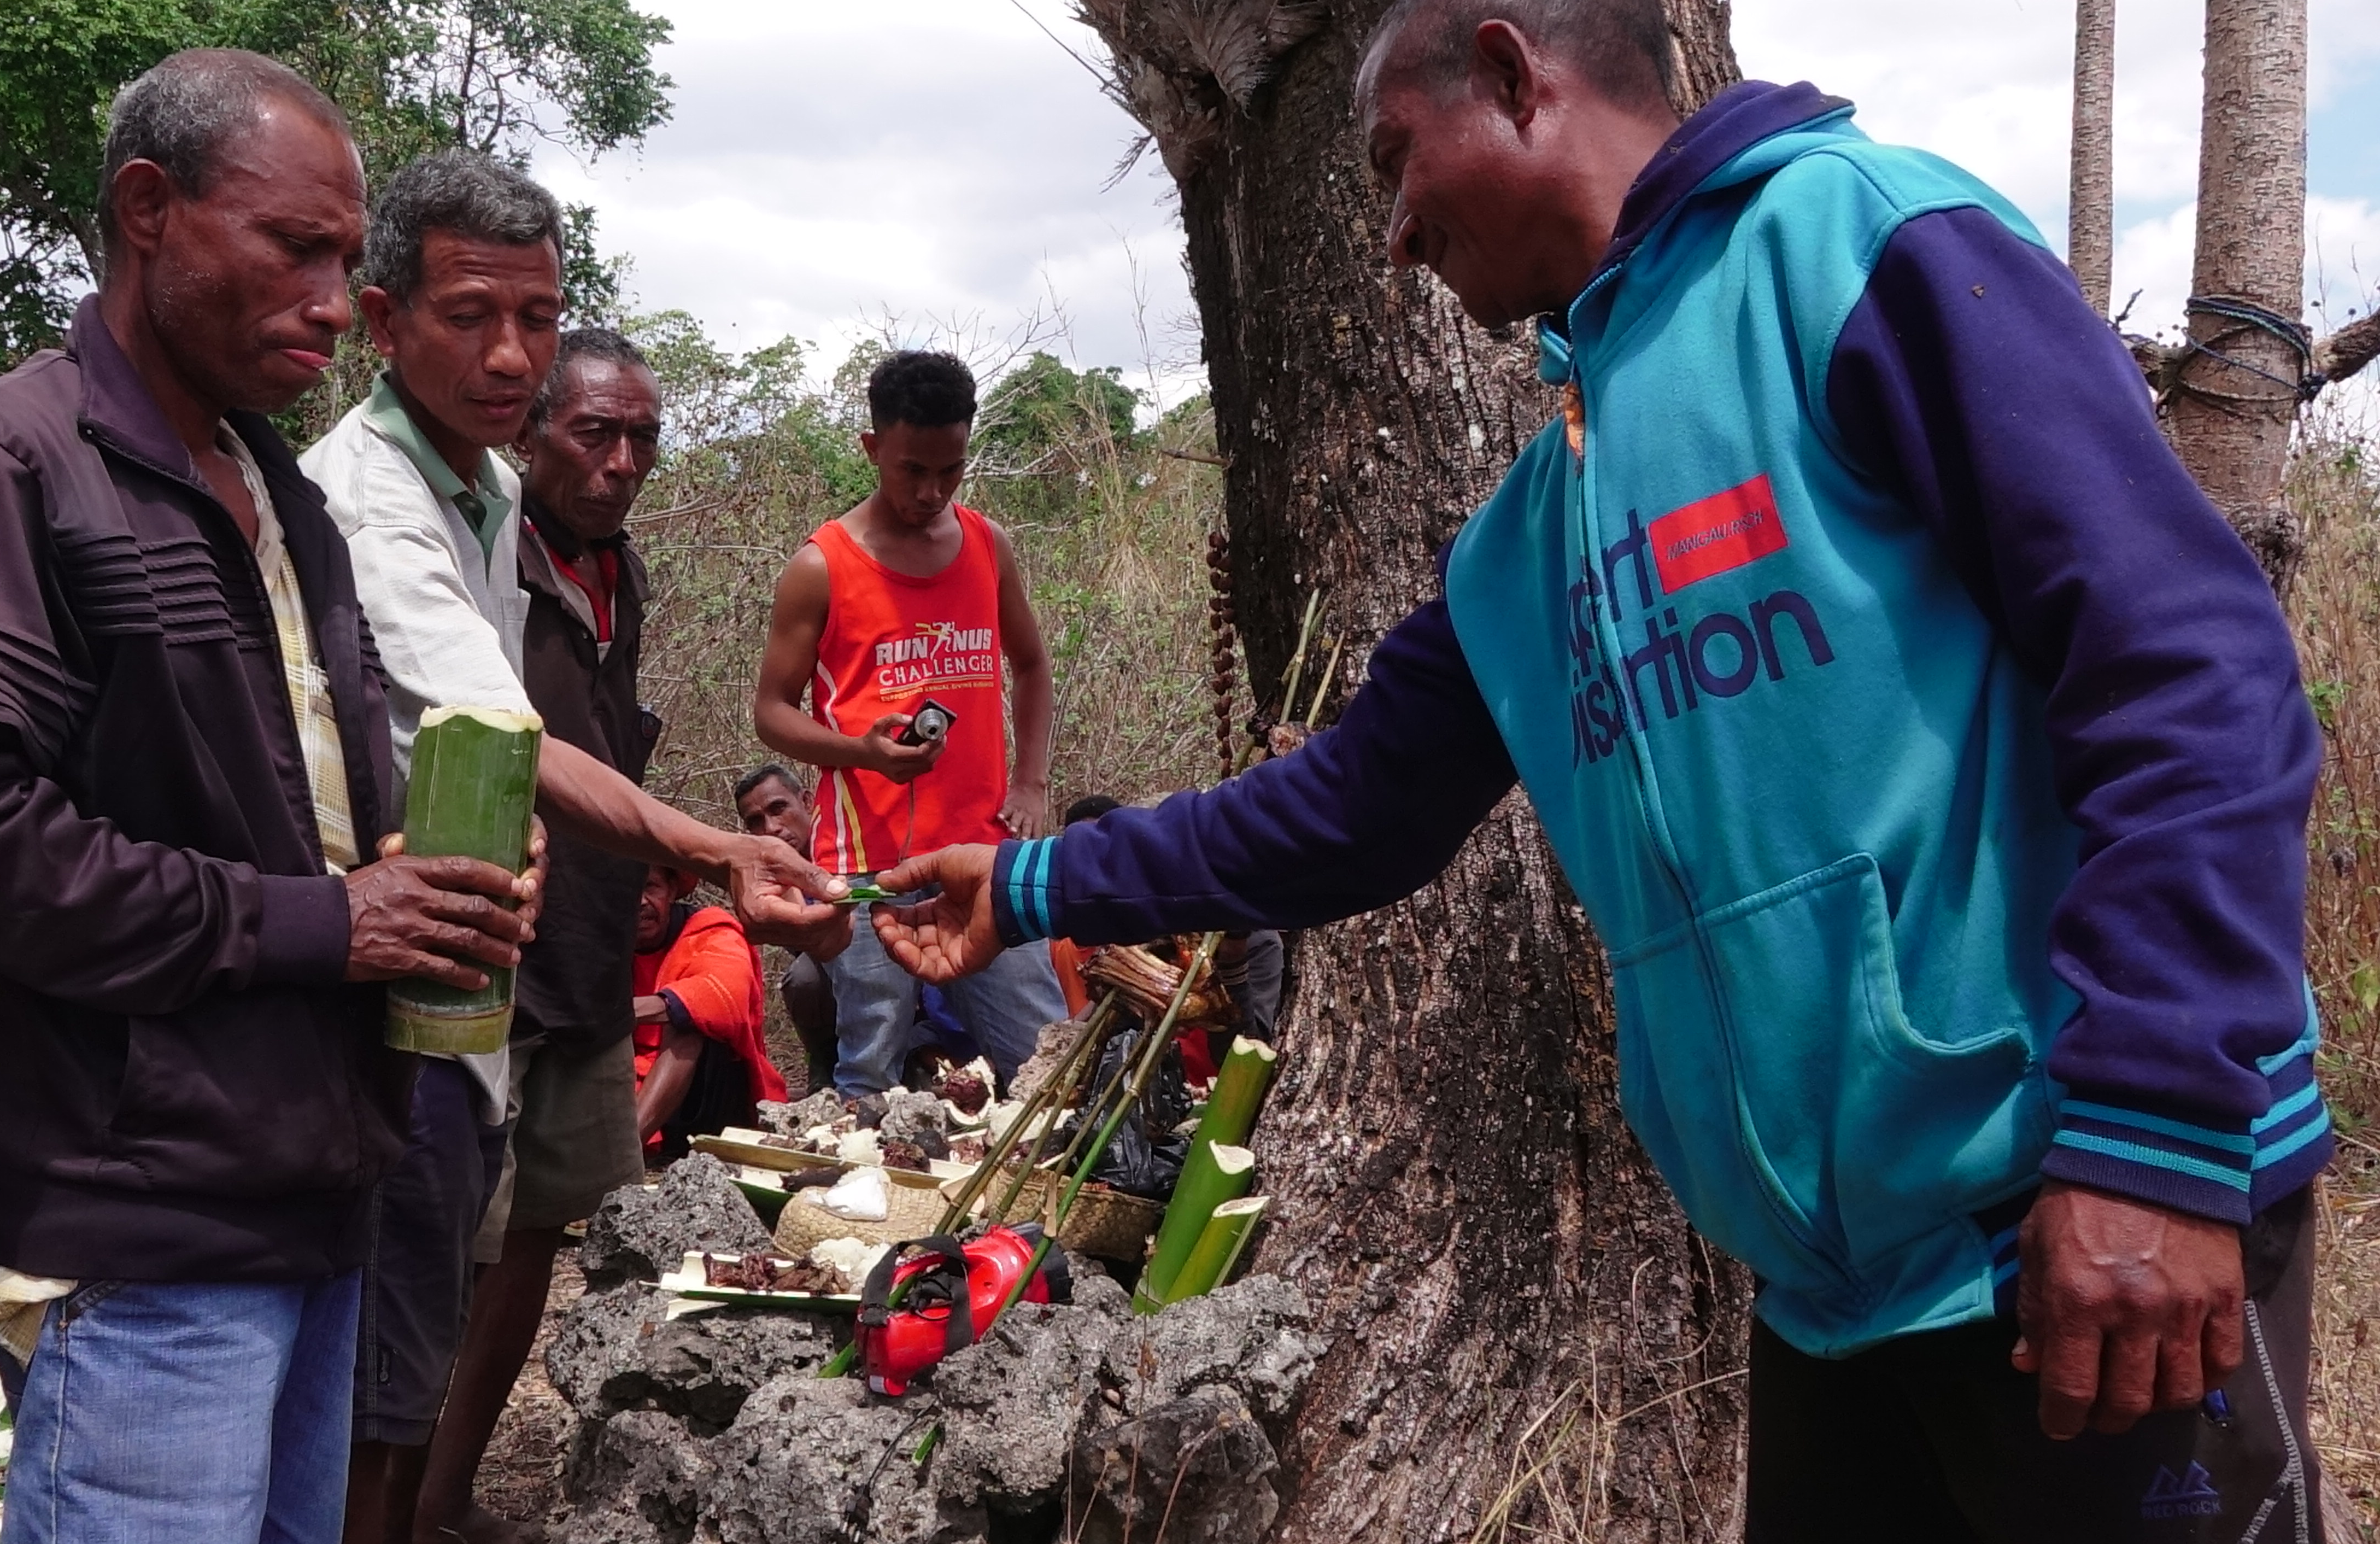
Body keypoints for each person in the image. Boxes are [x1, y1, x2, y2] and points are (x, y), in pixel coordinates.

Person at [870, 4, 2334, 1540]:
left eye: (1396, 159)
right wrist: (1028, 883)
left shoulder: (1856, 247)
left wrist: (2153, 1140)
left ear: (1515, 74)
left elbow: (2185, 668)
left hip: (2078, 1230)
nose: (1392, 234)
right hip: (1835, 1305)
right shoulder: (1537, 522)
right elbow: (1350, 807)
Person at [0, 52, 561, 1543]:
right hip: (144, 1230)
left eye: (344, 261)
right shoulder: (3, 468)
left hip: (315, 1195)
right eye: (293, 248)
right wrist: (327, 923)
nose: (330, 303)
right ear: (148, 211)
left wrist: (427, 878)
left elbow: (281, 819)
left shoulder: (280, 497)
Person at [414, 327, 843, 1544]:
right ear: (528, 431)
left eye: (641, 437)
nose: (619, 461)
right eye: (592, 431)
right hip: (489, 941)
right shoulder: (482, 557)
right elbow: (518, 748)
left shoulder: (621, 571)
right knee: (438, 1244)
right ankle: (374, 1505)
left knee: (536, 1233)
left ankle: (443, 1497)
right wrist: (714, 849)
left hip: (591, 954)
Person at [296, 149, 556, 1544]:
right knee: (370, 1395)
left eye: (537, 316)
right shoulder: (361, 491)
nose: (511, 353)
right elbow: (496, 721)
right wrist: (714, 848)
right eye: (470, 316)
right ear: (385, 322)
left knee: (407, 1369)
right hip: (392, 1001)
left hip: (466, 979)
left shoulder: (493, 486)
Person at [752, 349, 1066, 1095]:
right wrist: (861, 753)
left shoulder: (987, 545)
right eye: (911, 470)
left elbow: (1032, 665)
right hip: (868, 867)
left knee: (1046, 1067)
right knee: (870, 1074)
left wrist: (1030, 782)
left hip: (984, 855)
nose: (931, 492)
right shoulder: (822, 565)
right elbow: (771, 712)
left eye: (950, 470)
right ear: (872, 448)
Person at [1051, 796, 1285, 1079]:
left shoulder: (1259, 942)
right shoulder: (1143, 926)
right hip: (1140, 1081)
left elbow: (1243, 1059)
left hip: (1212, 1091)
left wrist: (1233, 960)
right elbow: (1100, 1029)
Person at [629, 866, 784, 1160]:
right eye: (627, 890)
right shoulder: (601, 942)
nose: (640, 902)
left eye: (650, 887)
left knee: (690, 1018)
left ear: (671, 891)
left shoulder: (712, 929)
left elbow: (724, 994)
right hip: (626, 1082)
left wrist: (624, 1012)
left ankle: (624, 1152)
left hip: (710, 1096)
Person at [737, 762, 840, 1089]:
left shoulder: (846, 843)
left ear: (807, 802)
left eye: (778, 809)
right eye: (756, 822)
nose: (771, 828)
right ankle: (825, 1068)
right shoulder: (764, 877)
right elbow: (805, 941)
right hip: (827, 970)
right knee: (804, 979)